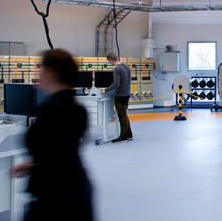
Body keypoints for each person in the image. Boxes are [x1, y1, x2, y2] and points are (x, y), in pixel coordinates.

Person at [10, 49, 93, 221]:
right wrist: (35, 163)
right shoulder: (79, 110)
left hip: (56, 195)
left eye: (42, 68)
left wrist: (38, 161)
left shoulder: (50, 110)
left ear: (51, 71)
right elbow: (60, 150)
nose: (39, 73)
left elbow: (53, 150)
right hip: (76, 187)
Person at [101, 53, 132, 143]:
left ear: (111, 60)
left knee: (121, 116)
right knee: (124, 114)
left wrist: (106, 90)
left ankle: (124, 136)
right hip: (126, 94)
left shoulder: (117, 69)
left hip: (120, 95)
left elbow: (116, 84)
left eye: (109, 62)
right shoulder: (126, 67)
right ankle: (129, 134)